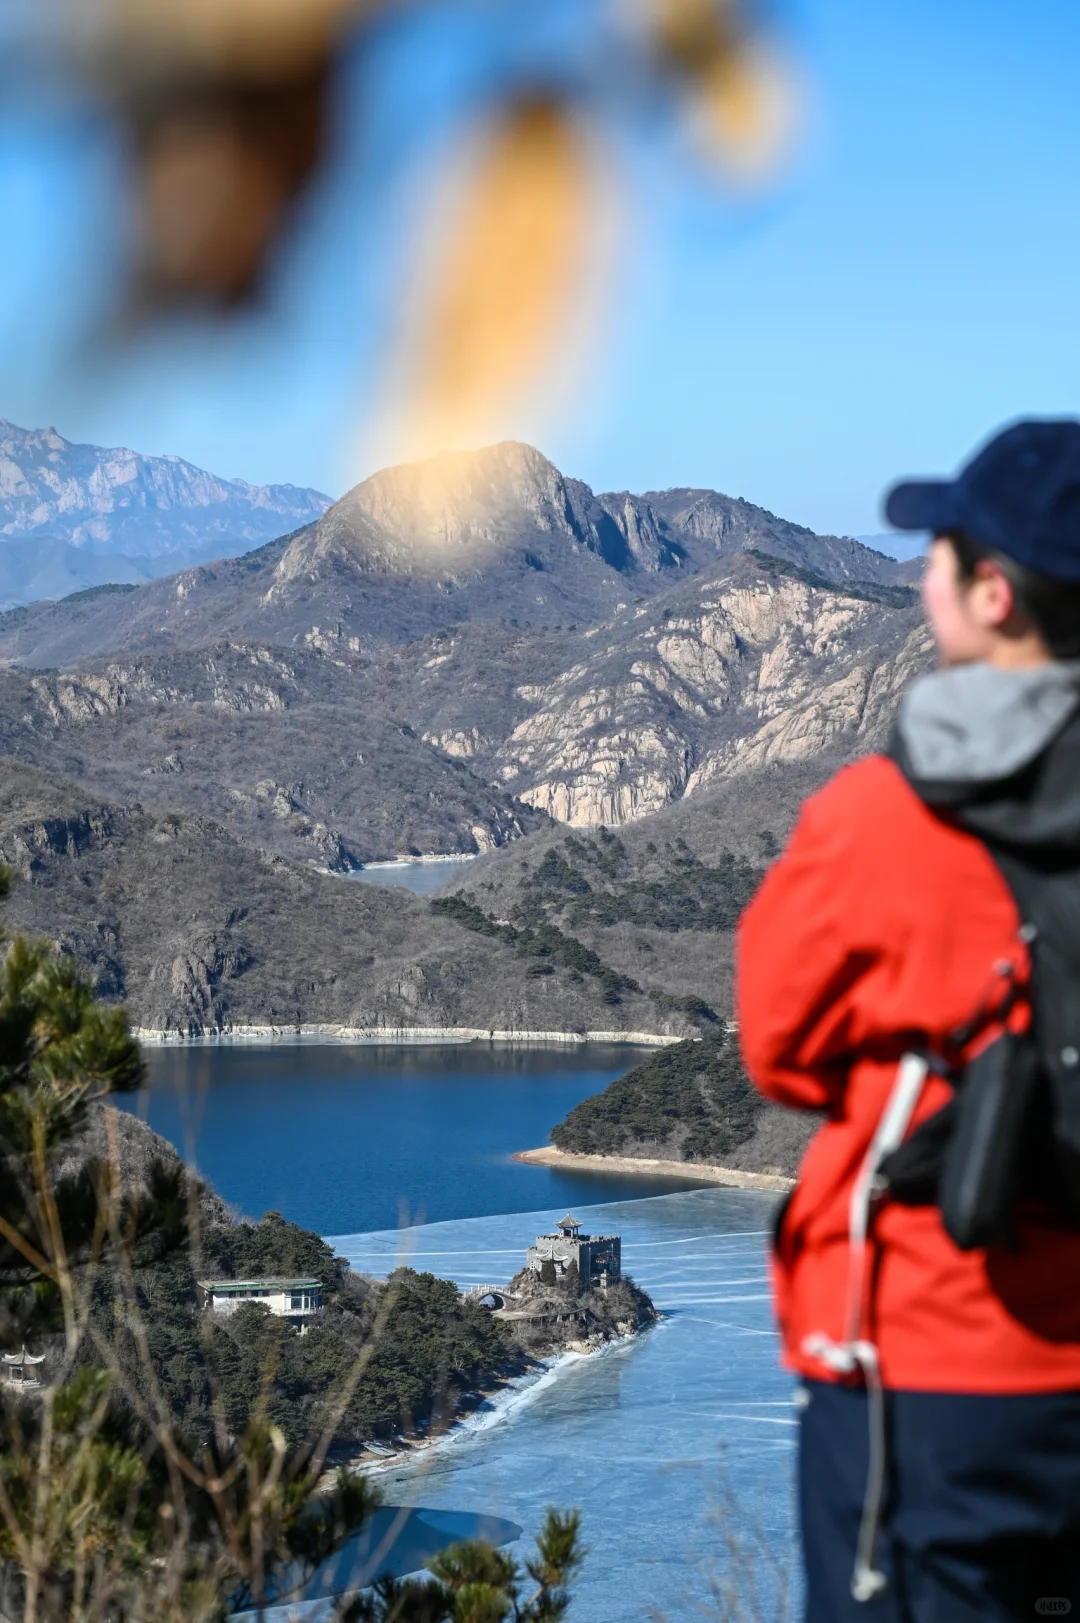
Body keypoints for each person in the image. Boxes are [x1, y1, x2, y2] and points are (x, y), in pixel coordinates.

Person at [736, 419, 1080, 1622]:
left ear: (993, 593)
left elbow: (779, 1047)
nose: (920, 572)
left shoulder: (881, 817)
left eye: (940, 551)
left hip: (928, 1351)